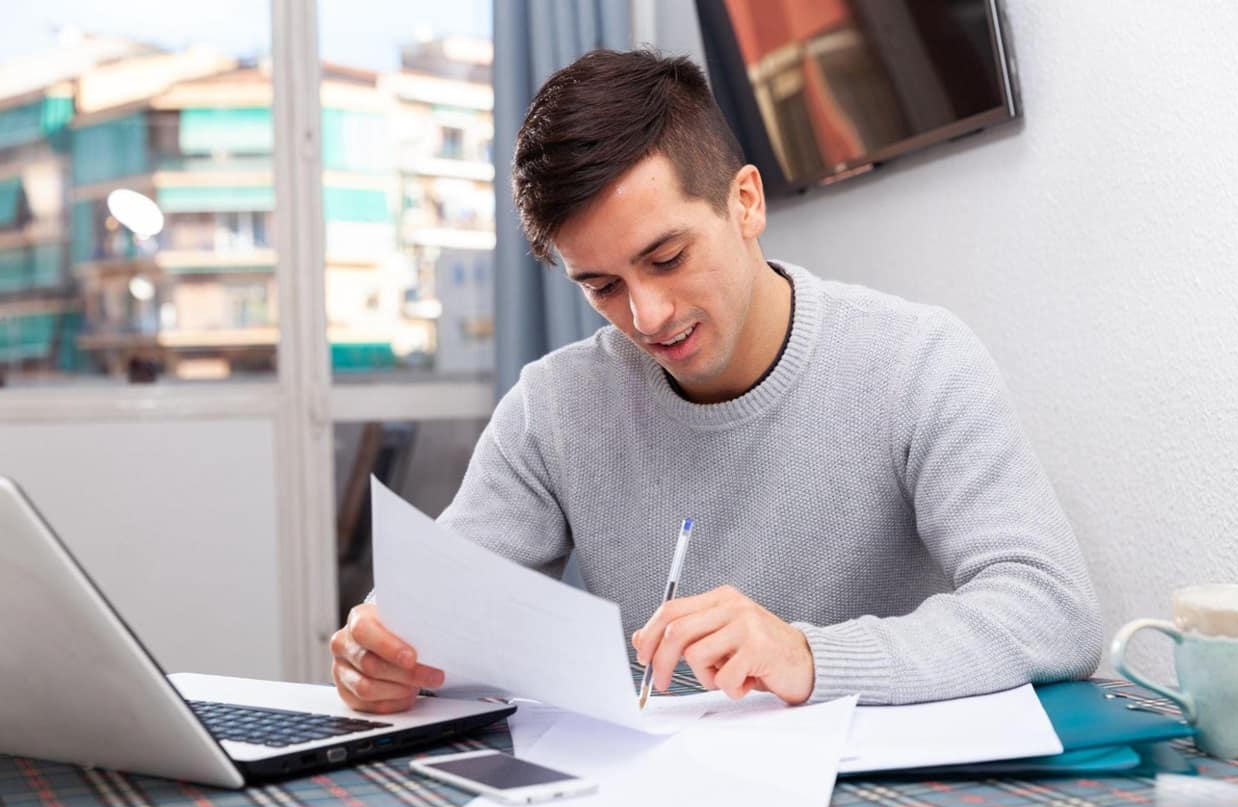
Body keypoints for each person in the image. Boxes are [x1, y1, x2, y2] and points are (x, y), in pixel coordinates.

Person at [330, 49, 1102, 713]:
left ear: (746, 202)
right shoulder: (554, 408)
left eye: (666, 258)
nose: (647, 314)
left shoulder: (918, 362)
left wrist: (808, 657)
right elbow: (443, 608)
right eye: (601, 286)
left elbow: (1051, 609)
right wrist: (385, 652)